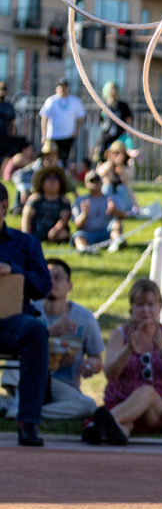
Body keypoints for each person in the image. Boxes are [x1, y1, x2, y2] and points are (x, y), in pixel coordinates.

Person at [84, 277, 162, 445]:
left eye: (150, 304)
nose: (145, 310)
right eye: (140, 305)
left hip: (157, 410)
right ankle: (110, 431)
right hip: (123, 403)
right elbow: (110, 374)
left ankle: (97, 424)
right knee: (122, 424)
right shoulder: (120, 335)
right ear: (132, 307)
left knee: (147, 391)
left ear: (160, 306)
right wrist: (128, 349)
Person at [0, 182, 51, 445]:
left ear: (4, 207)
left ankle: (27, 423)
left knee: (35, 330)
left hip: (11, 322)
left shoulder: (25, 243)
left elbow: (44, 285)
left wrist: (14, 269)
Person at [32, 258, 103, 420]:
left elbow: (97, 359)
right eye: (47, 276)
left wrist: (91, 365)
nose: (51, 282)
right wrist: (49, 332)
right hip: (30, 381)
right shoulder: (29, 311)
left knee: (89, 406)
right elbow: (13, 351)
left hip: (64, 386)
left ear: (69, 286)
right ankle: (24, 406)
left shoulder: (85, 318)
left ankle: (28, 411)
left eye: (57, 277)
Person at [71, 170, 128, 253]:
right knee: (78, 236)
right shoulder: (80, 201)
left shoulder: (112, 198)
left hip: (106, 233)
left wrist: (114, 210)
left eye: (97, 181)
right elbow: (77, 224)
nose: (95, 184)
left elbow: (124, 216)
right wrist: (84, 214)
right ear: (85, 184)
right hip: (88, 234)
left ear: (102, 183)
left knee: (116, 223)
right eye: (91, 181)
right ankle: (85, 250)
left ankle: (117, 242)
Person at [96, 140, 139, 250]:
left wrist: (119, 165)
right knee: (108, 187)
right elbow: (102, 175)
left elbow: (126, 182)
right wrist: (111, 162)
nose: (117, 156)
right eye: (114, 153)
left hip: (122, 197)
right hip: (108, 195)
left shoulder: (127, 167)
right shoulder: (105, 165)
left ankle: (120, 211)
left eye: (120, 153)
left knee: (120, 188)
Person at [39, 78, 86, 165]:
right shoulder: (51, 101)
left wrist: (76, 131)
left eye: (65, 87)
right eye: (60, 87)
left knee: (65, 158)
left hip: (68, 136)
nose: (63, 89)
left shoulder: (75, 101)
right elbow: (44, 118)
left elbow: (80, 117)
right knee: (50, 157)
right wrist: (44, 135)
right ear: (57, 88)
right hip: (53, 136)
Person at [21, 165, 71, 243]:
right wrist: (25, 232)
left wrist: (55, 230)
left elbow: (63, 219)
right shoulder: (36, 198)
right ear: (42, 182)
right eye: (48, 177)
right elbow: (26, 216)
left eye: (56, 178)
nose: (52, 180)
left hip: (55, 231)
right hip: (36, 229)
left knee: (63, 234)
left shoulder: (63, 200)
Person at [97, 82, 133, 161]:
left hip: (120, 135)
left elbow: (128, 119)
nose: (113, 91)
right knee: (101, 154)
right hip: (107, 136)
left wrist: (126, 131)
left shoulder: (123, 105)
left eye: (115, 89)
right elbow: (101, 121)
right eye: (111, 89)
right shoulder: (104, 105)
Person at [0, 80, 17, 170]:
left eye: (3, 90)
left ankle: (2, 174)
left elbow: (12, 123)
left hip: (5, 136)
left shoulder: (8, 106)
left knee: (5, 157)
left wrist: (12, 137)